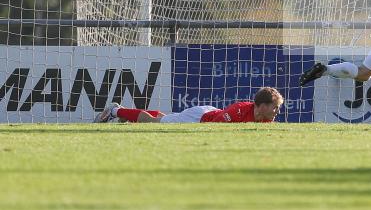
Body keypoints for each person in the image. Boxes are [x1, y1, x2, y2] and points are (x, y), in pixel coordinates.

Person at [93, 87, 284, 123]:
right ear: (262, 105)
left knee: (164, 118)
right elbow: (215, 126)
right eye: (274, 107)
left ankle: (124, 116)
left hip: (207, 113)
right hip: (199, 118)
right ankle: (115, 111)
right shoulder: (239, 110)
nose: (277, 111)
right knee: (155, 122)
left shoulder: (264, 120)